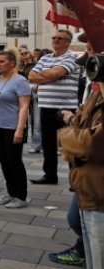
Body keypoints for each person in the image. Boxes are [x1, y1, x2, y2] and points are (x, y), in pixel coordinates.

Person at [58, 76, 103, 269]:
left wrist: (65, 135)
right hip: (87, 186)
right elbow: (83, 126)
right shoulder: (97, 93)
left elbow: (89, 144)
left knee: (99, 253)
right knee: (92, 253)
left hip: (98, 190)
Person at [28, 29, 81, 185]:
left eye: (60, 38)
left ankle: (75, 179)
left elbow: (56, 73)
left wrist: (45, 77)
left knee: (71, 144)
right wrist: (50, 75)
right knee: (48, 143)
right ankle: (50, 175)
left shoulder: (72, 57)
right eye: (54, 37)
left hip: (66, 107)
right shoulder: (45, 57)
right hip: (45, 106)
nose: (56, 40)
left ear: (67, 42)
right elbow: (31, 75)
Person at [0, 50, 31, 209]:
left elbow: (24, 107)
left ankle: (21, 196)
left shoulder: (20, 81)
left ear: (12, 63)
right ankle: (11, 193)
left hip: (12, 126)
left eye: (2, 61)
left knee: (15, 161)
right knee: (4, 161)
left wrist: (20, 129)